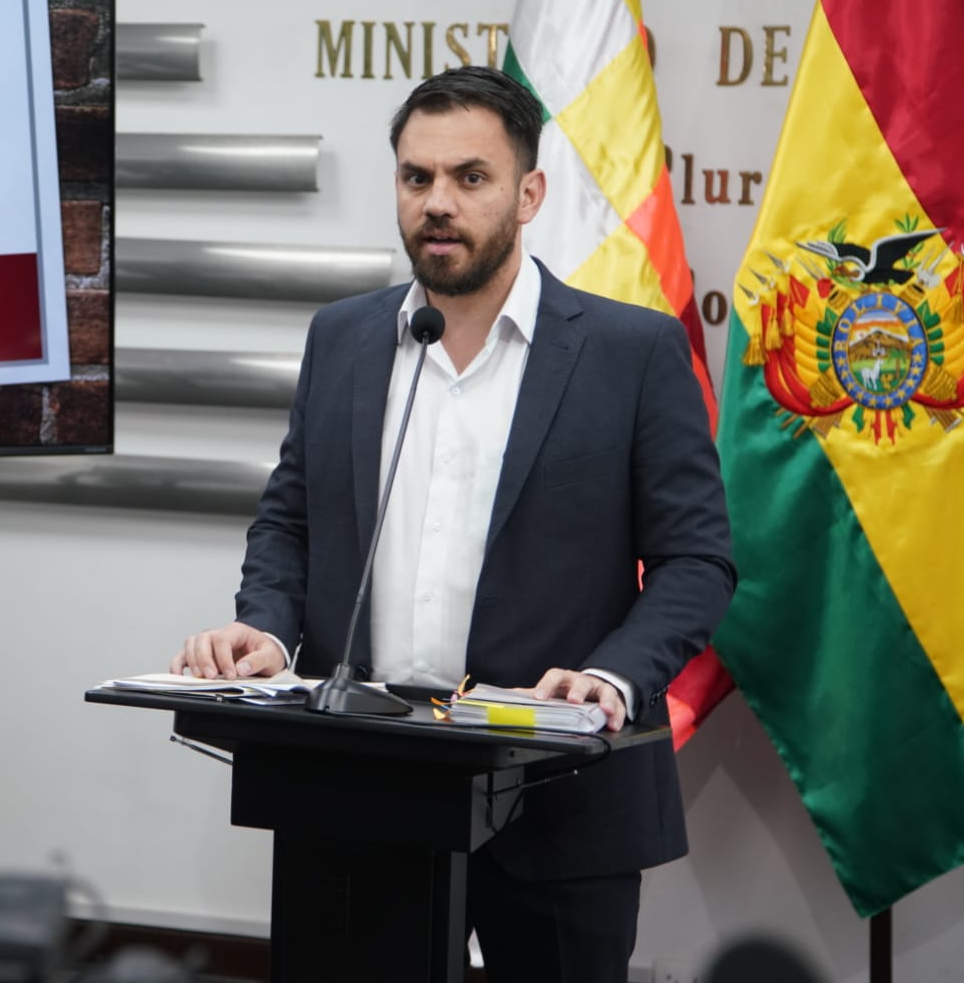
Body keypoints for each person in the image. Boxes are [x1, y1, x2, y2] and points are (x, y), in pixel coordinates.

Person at [169, 66, 735, 983]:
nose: (438, 201)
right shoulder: (342, 338)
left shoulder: (630, 352)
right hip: (358, 785)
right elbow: (290, 521)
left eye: (471, 177)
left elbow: (696, 561)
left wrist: (610, 677)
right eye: (417, 176)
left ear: (529, 193)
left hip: (558, 798)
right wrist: (266, 628)